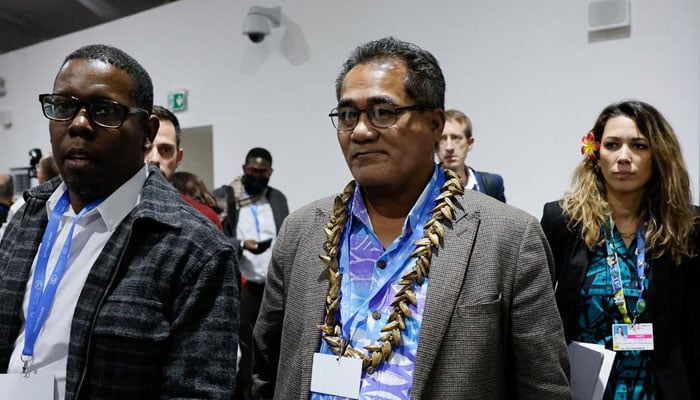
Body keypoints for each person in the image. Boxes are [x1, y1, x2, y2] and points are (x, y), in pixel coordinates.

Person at [252, 36, 570, 399]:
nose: (360, 131)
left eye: (383, 112)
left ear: (434, 123)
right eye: (347, 115)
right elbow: (266, 366)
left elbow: (543, 387)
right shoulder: (301, 231)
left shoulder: (509, 239)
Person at [0, 44, 239, 399]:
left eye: (104, 110)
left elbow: (196, 392)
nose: (79, 124)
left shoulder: (195, 247)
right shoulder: (28, 216)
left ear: (147, 131)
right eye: (64, 107)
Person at [541, 100, 700, 399]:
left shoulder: (687, 226)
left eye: (639, 146)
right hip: (583, 390)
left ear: (659, 156)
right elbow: (538, 318)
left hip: (660, 389)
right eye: (612, 145)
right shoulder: (562, 221)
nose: (624, 157)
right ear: (595, 154)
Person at [213, 147, 289, 400]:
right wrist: (242, 245)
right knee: (245, 345)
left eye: (263, 172)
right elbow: (215, 236)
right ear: (245, 169)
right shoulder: (226, 197)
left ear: (271, 173)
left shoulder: (276, 198)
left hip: (272, 286)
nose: (258, 176)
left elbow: (286, 233)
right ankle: (245, 393)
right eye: (253, 171)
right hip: (242, 284)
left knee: (271, 343)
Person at [145, 105, 223, 232]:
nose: (154, 159)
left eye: (165, 150)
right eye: (146, 146)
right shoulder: (106, 211)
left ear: (179, 158)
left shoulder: (204, 220)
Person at [436, 109, 506, 202]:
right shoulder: (424, 187)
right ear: (434, 145)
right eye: (442, 139)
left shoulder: (491, 185)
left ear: (469, 143)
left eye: (456, 138)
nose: (449, 147)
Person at [0, 154, 60, 240]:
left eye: (38, 169)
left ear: (41, 176)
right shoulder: (71, 204)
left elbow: (5, 239)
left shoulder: (22, 205)